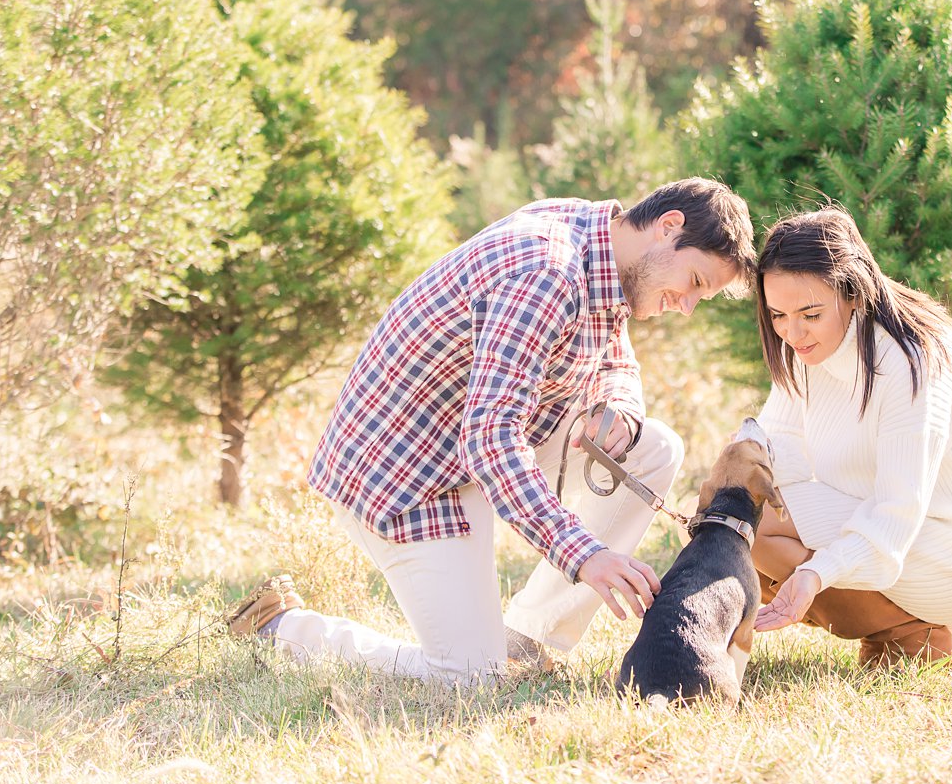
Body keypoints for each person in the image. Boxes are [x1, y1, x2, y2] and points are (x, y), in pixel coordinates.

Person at [227, 178, 756, 684]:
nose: (685, 306)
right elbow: (489, 438)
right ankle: (281, 627)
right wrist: (584, 555)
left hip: (478, 445)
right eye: (695, 284)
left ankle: (528, 636)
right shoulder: (547, 271)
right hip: (408, 474)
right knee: (466, 677)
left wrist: (617, 403)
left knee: (653, 446)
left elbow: (614, 355)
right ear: (668, 226)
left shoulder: (605, 244)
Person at [748, 208, 952, 666]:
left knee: (752, 521)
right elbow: (778, 448)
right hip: (882, 520)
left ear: (852, 293)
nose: (792, 332)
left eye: (810, 313)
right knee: (737, 511)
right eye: (778, 315)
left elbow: (896, 514)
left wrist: (815, 572)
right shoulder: (805, 349)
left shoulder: (912, 363)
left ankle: (907, 629)